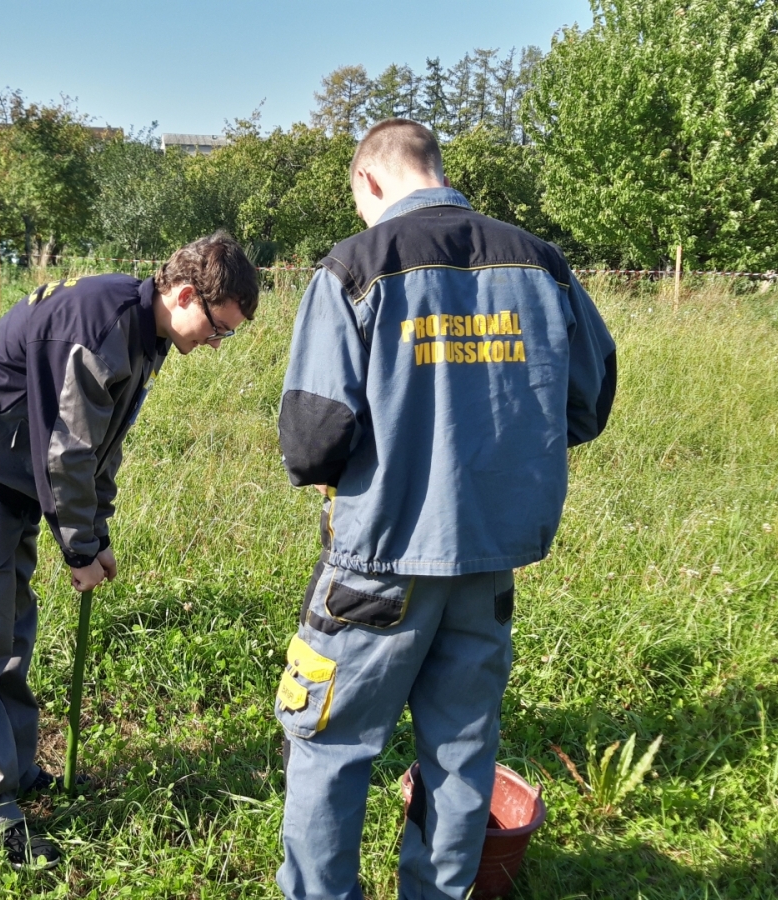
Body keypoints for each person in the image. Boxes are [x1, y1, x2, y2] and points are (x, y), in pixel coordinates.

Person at [273, 119, 617, 900]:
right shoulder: (541, 263)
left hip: (378, 562)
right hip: (487, 559)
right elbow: (587, 404)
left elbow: (311, 438)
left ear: (369, 181)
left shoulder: (353, 267)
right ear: (434, 169)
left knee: (330, 744)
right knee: (461, 751)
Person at [0, 233, 259, 869]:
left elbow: (101, 445)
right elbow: (66, 450)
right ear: (185, 295)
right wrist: (79, 548)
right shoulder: (98, 321)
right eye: (219, 329)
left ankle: (14, 769)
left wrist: (95, 532)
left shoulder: (143, 335)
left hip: (12, 474)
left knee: (12, 628)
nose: (216, 344)